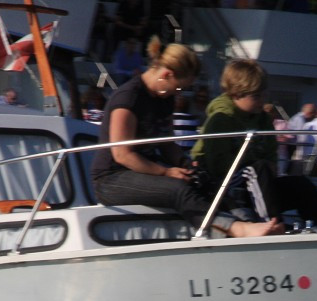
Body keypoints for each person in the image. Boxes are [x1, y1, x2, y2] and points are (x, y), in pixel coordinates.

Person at [90, 37, 282, 238]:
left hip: (144, 171)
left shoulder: (165, 98)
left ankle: (247, 220)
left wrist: (186, 164)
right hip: (112, 179)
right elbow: (123, 155)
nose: (179, 93)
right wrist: (165, 172)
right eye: (180, 87)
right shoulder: (128, 98)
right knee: (178, 189)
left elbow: (166, 144)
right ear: (167, 75)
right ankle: (236, 229)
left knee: (202, 180)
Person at [191, 59, 317, 233]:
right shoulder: (220, 120)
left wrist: (265, 167)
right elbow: (218, 165)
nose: (262, 101)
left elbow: (271, 157)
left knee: (300, 184)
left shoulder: (263, 120)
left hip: (257, 185)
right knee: (257, 170)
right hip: (224, 186)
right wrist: (255, 163)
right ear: (236, 93)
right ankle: (271, 225)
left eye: (263, 95)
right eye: (256, 96)